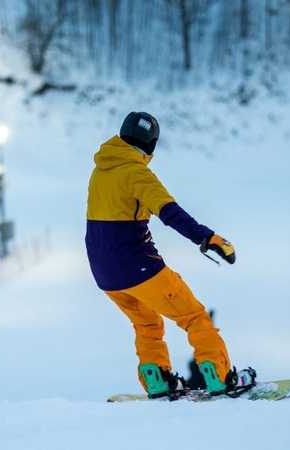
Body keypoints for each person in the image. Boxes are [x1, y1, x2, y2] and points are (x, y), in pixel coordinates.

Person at [85, 111, 255, 399]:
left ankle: (157, 380)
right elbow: (169, 212)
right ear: (151, 145)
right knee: (195, 317)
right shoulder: (136, 171)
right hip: (138, 267)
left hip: (104, 274)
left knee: (147, 322)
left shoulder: (100, 170)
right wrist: (206, 237)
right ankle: (220, 377)